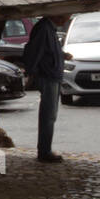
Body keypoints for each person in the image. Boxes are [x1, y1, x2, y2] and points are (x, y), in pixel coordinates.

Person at [22, 13, 69, 164]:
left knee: (50, 114)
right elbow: (35, 51)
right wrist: (31, 73)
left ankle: (45, 149)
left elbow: (48, 50)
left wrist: (62, 55)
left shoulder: (49, 28)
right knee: (48, 115)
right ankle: (44, 151)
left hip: (52, 74)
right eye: (67, 15)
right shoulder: (44, 28)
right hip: (48, 75)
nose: (68, 18)